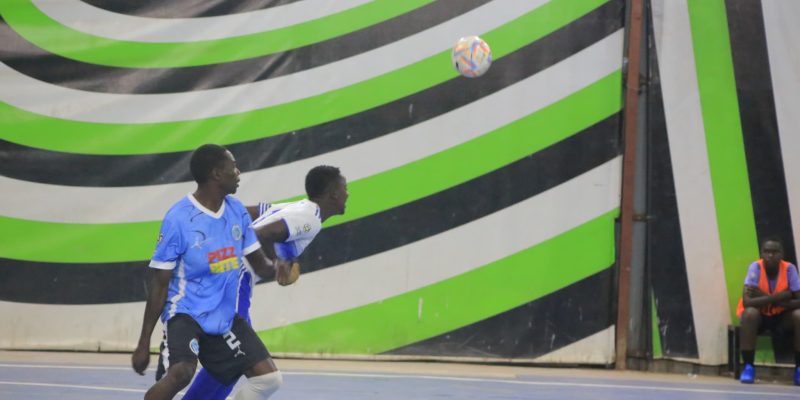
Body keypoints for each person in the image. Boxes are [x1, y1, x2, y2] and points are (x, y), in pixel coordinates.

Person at [131, 144, 298, 400]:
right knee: (182, 372)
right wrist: (143, 343)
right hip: (186, 313)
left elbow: (260, 265)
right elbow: (159, 283)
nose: (238, 173)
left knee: (268, 379)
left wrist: (279, 269)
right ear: (216, 174)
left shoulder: (237, 212)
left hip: (223, 316)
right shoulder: (178, 219)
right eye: (233, 167)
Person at [182, 165, 349, 400]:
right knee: (246, 365)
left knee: (233, 360)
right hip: (233, 279)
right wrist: (278, 261)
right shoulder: (310, 218)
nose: (347, 194)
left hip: (228, 278)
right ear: (333, 193)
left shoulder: (297, 207)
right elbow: (260, 234)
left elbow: (248, 214)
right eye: (345, 188)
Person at [736, 237, 800, 384]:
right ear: (761, 253)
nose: (771, 255)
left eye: (775, 252)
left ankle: (799, 369)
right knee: (749, 314)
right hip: (760, 318)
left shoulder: (789, 269)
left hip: (782, 318)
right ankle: (748, 367)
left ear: (782, 254)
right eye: (767, 251)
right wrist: (781, 297)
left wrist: (762, 296)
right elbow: (747, 302)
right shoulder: (755, 268)